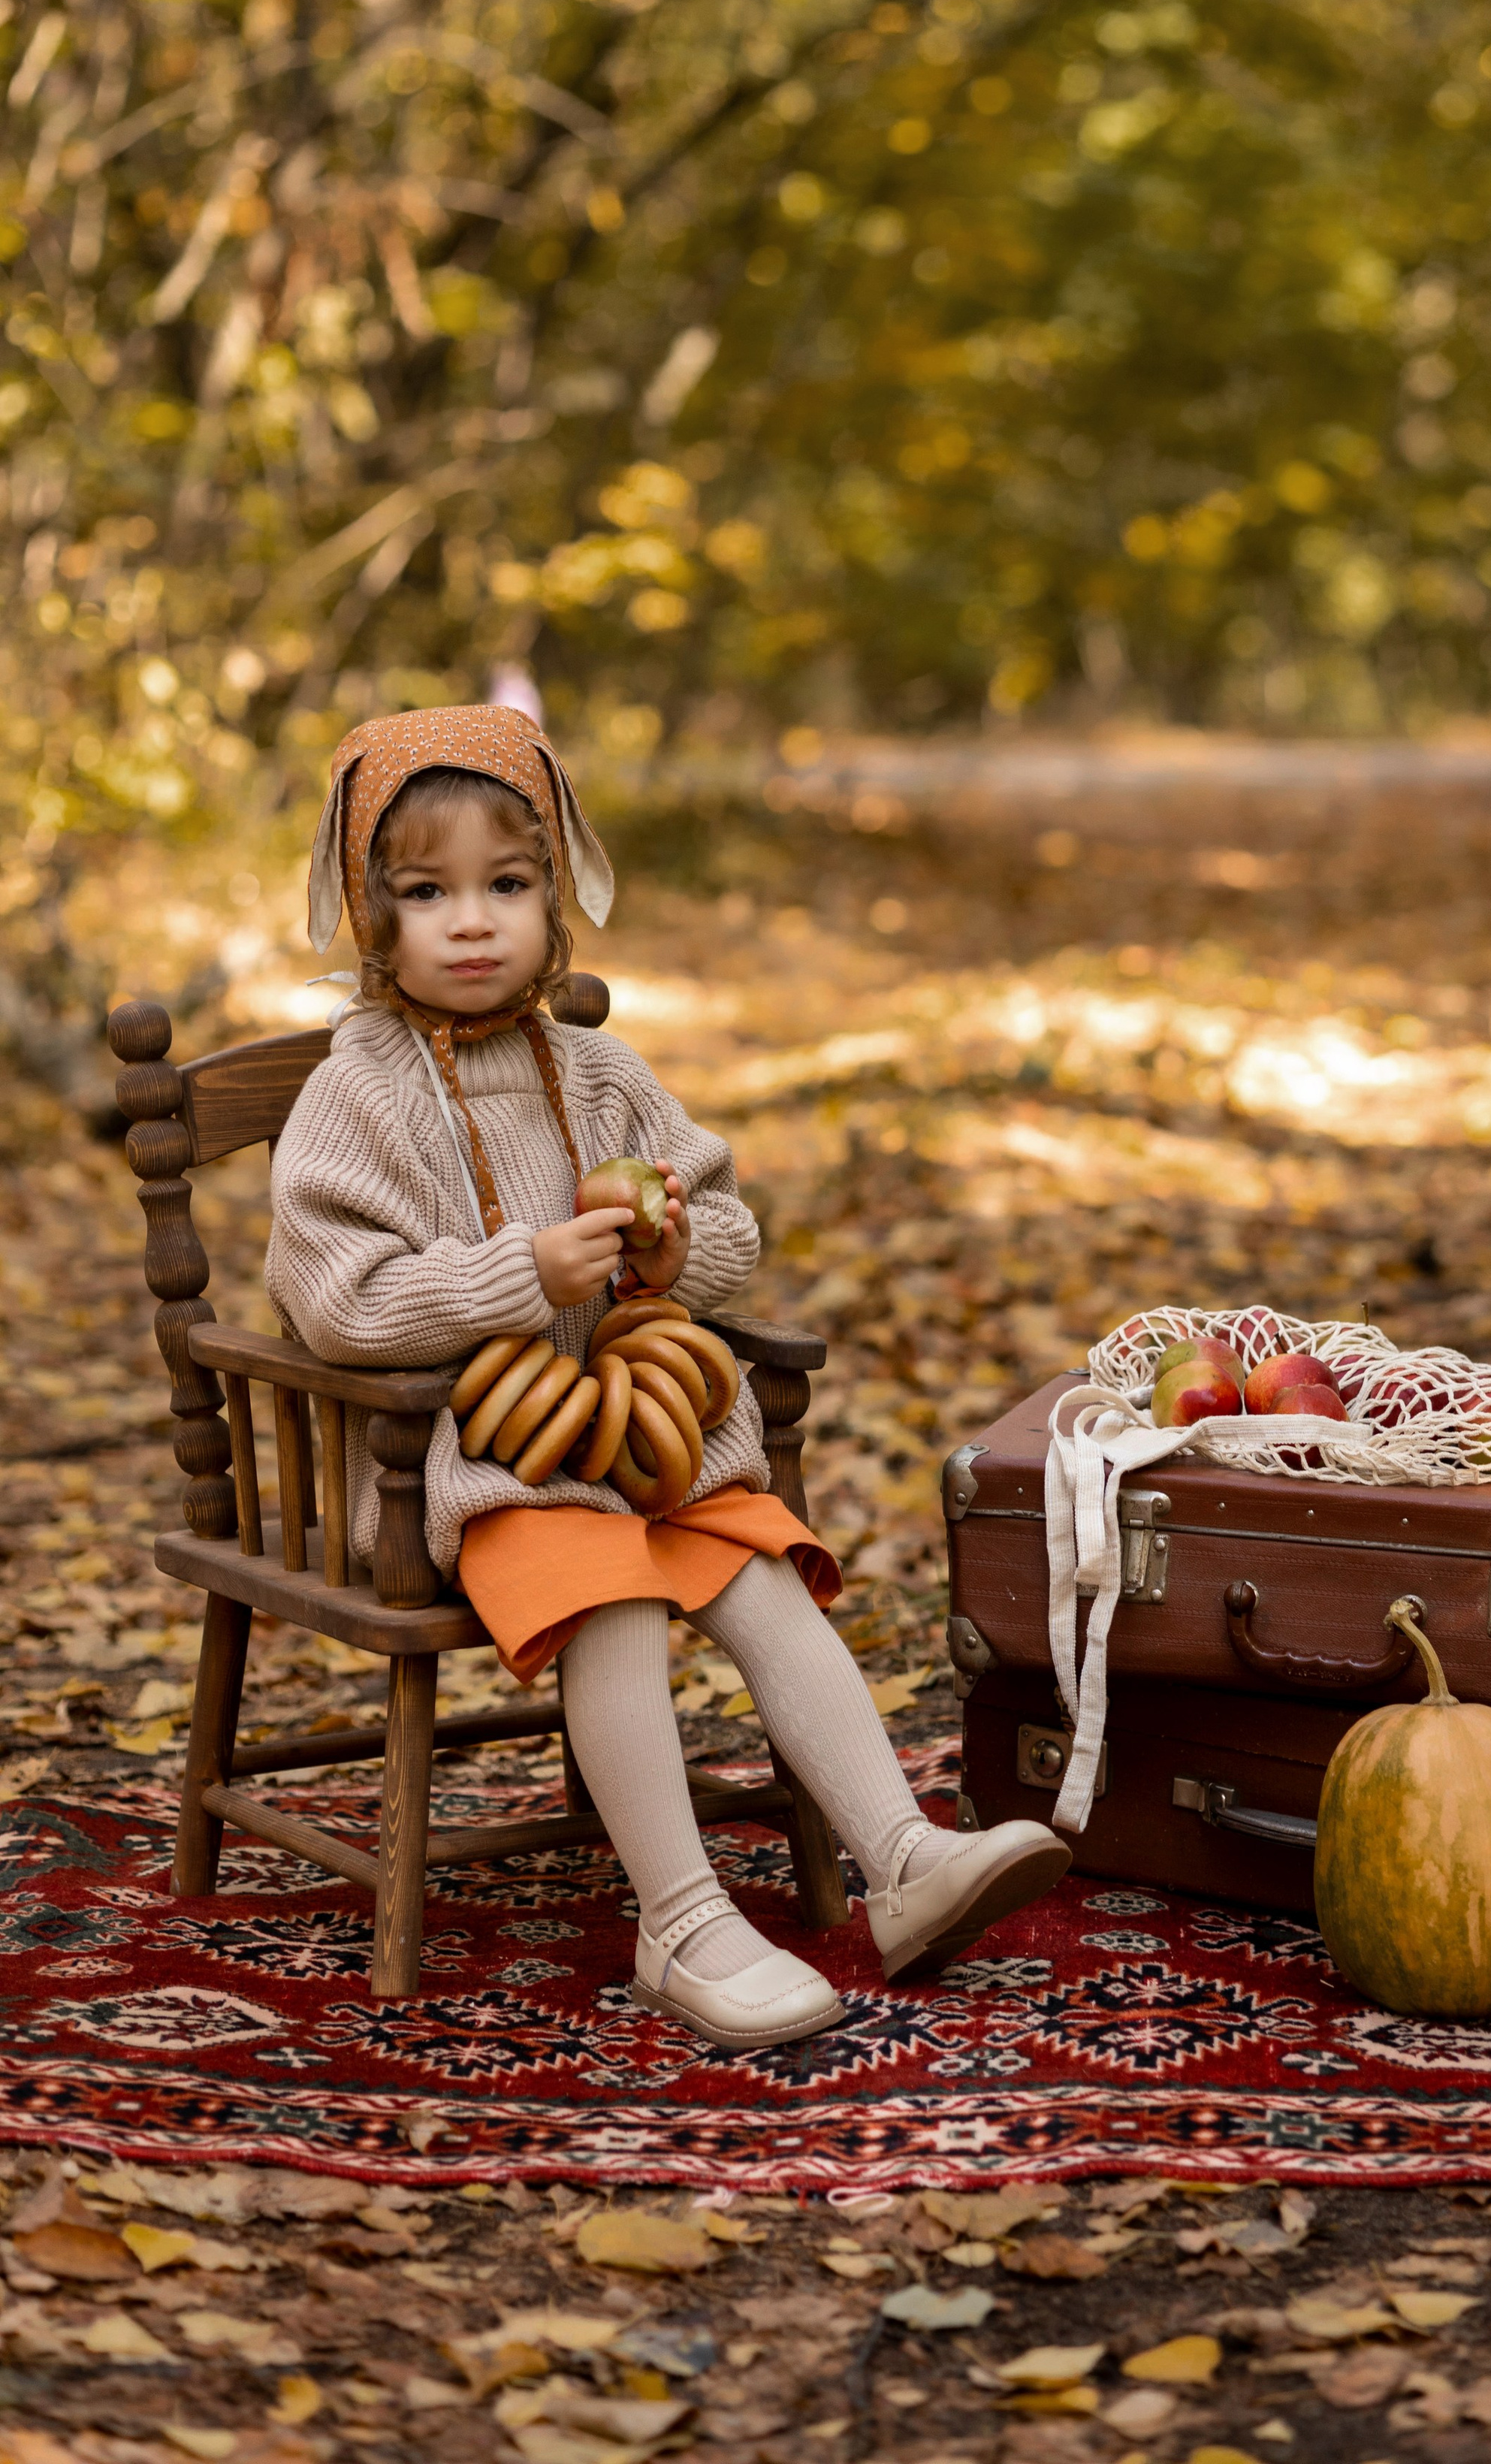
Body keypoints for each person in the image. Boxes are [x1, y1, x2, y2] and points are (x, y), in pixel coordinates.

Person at [267, 706, 1067, 2051]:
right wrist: (526, 1276)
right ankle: (683, 1920)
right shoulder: (357, 1099)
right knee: (616, 1593)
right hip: (471, 1467)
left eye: (507, 886)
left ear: (555, 897)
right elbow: (336, 1304)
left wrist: (674, 1252)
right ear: (370, 915)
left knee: (757, 1565)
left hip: (645, 1443)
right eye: (427, 893)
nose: (473, 923)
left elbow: (734, 1233)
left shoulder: (603, 1068)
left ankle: (903, 1859)